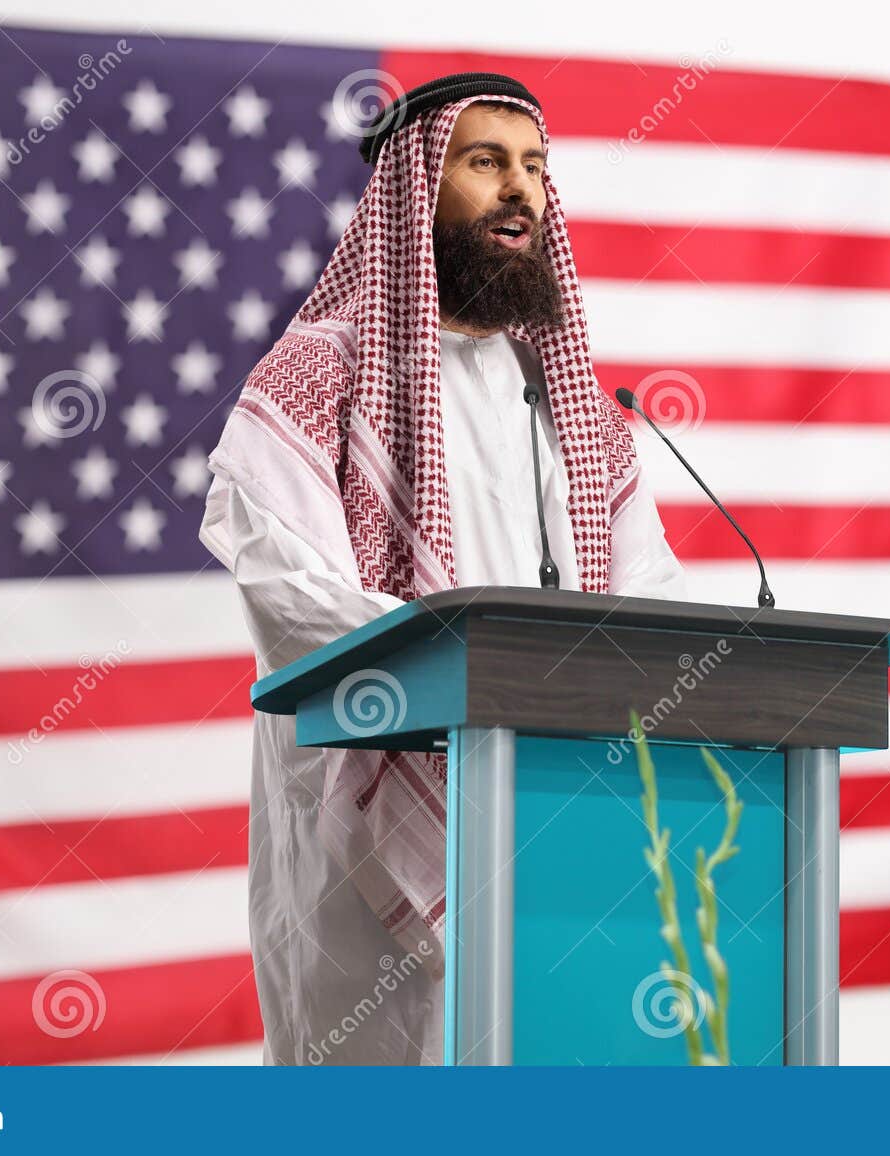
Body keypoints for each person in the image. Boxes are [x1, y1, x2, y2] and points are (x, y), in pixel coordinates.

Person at [198, 72, 686, 1065]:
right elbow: (295, 597)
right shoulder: (314, 379)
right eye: (486, 162)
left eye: (535, 167)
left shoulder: (578, 404)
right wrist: (481, 673)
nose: (520, 189)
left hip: (557, 801)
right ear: (417, 190)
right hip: (371, 812)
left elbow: (651, 599)